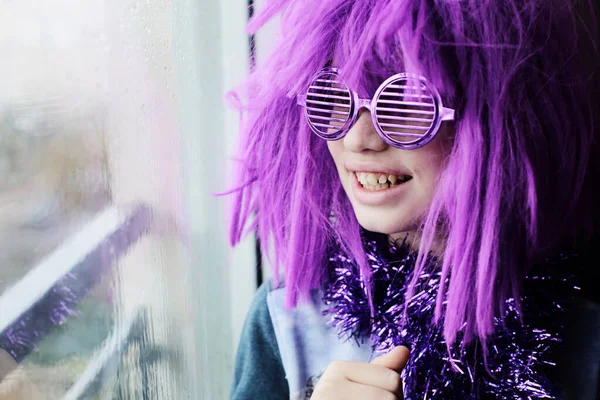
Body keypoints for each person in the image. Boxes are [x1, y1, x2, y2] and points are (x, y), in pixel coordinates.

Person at [226, 0, 600, 398]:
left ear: (502, 118)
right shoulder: (290, 316)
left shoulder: (584, 322)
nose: (357, 138)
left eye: (405, 98)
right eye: (331, 94)